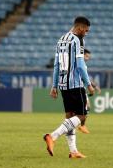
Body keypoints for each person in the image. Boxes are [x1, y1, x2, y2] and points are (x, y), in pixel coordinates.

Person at [43, 16, 95, 159]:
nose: (86, 33)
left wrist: (54, 85)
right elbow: (80, 65)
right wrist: (88, 84)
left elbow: (56, 65)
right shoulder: (78, 40)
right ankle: (52, 136)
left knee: (70, 116)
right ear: (79, 28)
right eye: (86, 30)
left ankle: (73, 151)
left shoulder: (61, 40)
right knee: (82, 115)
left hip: (63, 84)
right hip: (75, 84)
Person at [78, 49, 101, 134]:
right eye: (87, 56)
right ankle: (81, 125)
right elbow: (85, 78)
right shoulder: (80, 64)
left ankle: (81, 125)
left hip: (80, 88)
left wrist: (95, 86)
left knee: (85, 108)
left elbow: (86, 78)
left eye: (89, 57)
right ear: (82, 55)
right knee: (86, 107)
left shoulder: (81, 64)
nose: (88, 58)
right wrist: (92, 87)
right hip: (78, 88)